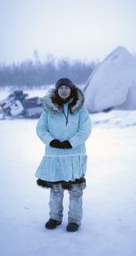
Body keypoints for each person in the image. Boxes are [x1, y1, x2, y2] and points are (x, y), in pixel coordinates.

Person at [35, 78, 92, 232]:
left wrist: (71, 142)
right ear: (57, 90)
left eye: (67, 87)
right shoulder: (48, 109)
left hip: (75, 155)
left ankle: (74, 220)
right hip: (54, 155)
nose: (64, 90)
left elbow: (85, 129)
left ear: (71, 89)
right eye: (61, 88)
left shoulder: (80, 109)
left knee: (75, 190)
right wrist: (51, 141)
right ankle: (55, 217)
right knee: (56, 188)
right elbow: (41, 129)